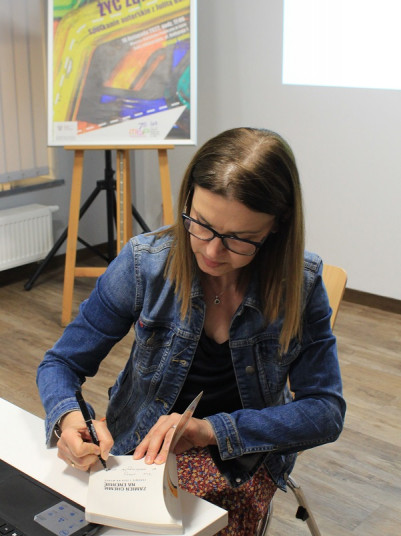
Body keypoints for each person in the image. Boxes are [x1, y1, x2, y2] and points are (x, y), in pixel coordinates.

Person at [37, 127, 346, 535]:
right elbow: (60, 363)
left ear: (276, 227)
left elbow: (325, 411)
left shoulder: (300, 286)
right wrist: (68, 418)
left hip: (242, 459)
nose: (212, 251)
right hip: (136, 451)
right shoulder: (144, 265)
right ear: (188, 201)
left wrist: (212, 430)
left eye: (239, 239)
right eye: (201, 224)